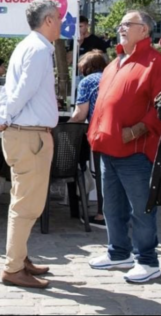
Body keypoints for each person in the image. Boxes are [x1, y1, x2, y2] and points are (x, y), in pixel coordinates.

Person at [87, 10, 161, 284]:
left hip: (135, 149)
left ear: (145, 31)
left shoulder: (155, 62)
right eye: (121, 23)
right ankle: (118, 252)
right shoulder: (116, 61)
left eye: (129, 24)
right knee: (112, 206)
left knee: (141, 208)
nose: (121, 27)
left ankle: (147, 260)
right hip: (107, 146)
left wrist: (136, 130)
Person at [0, 0, 63, 290]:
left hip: (24, 133)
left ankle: (20, 258)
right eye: (58, 18)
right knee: (26, 204)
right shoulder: (40, 49)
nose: (61, 23)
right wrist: (4, 117)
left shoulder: (25, 46)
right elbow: (23, 90)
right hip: (29, 135)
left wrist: (3, 115)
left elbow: (11, 90)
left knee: (24, 200)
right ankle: (14, 267)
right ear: (49, 20)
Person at [68, 50, 109, 229]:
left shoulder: (87, 82)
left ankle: (103, 215)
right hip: (123, 131)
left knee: (102, 174)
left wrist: (64, 127)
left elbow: (79, 115)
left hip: (100, 132)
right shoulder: (114, 76)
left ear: (86, 67)